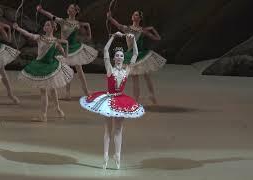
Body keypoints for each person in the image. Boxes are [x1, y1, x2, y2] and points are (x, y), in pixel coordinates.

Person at [80, 32, 145, 169]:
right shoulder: (110, 69)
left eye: (121, 56)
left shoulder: (127, 70)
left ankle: (117, 156)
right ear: (114, 58)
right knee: (107, 130)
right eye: (117, 56)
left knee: (119, 130)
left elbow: (135, 55)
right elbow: (105, 51)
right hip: (108, 102)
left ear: (123, 58)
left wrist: (133, 41)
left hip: (121, 100)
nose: (119, 57)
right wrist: (113, 37)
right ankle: (105, 156)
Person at [13, 20, 74, 122]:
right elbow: (28, 34)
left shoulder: (56, 42)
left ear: (53, 28)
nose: (45, 26)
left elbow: (66, 56)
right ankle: (56, 110)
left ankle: (45, 115)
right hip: (40, 65)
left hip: (50, 67)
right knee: (47, 90)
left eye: (48, 24)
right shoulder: (40, 38)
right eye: (45, 24)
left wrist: (66, 44)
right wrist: (18, 28)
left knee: (48, 90)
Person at [37, 3, 98, 100]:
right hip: (65, 48)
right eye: (69, 7)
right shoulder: (63, 21)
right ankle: (67, 93)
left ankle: (86, 91)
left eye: (72, 8)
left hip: (75, 48)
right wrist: (41, 10)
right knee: (66, 71)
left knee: (79, 70)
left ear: (76, 11)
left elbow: (87, 24)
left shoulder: (77, 23)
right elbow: (51, 16)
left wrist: (89, 35)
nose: (69, 9)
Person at [107, 10, 166, 104]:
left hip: (142, 55)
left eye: (136, 15)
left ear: (140, 18)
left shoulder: (143, 30)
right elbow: (118, 25)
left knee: (147, 76)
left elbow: (157, 38)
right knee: (135, 79)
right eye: (134, 14)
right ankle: (136, 100)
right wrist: (110, 18)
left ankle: (152, 94)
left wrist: (152, 29)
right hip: (131, 55)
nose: (134, 16)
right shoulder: (127, 28)